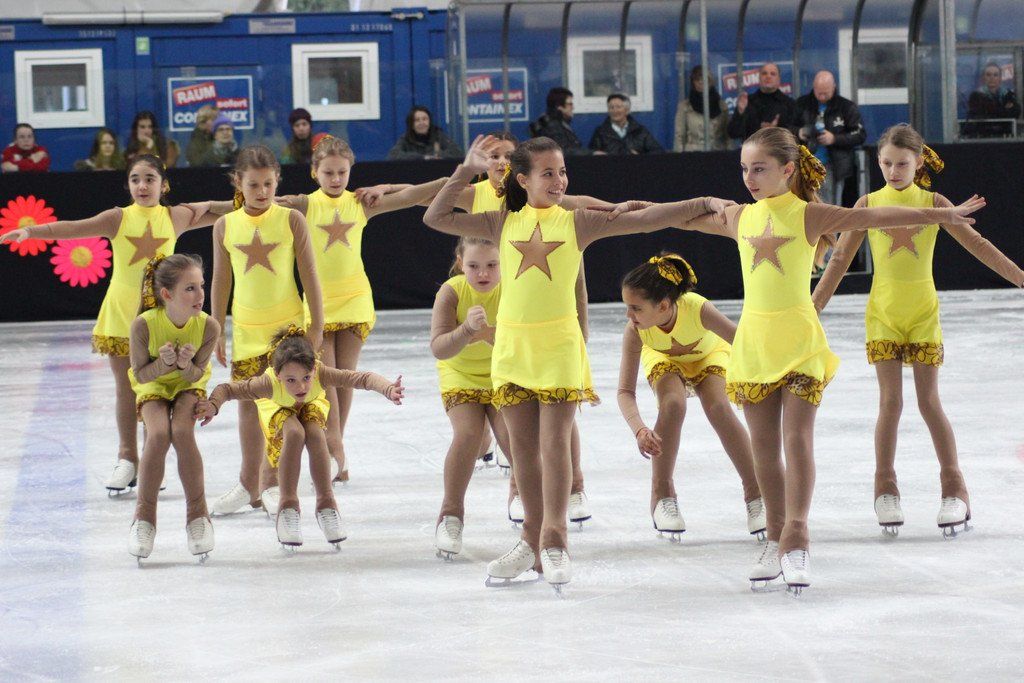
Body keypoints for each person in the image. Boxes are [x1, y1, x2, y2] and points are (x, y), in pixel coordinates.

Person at [676, 126, 984, 593]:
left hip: (803, 342)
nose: (749, 178)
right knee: (764, 448)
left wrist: (943, 214)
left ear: (787, 170)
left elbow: (876, 217)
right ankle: (777, 535)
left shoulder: (808, 214)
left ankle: (797, 536)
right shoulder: (740, 216)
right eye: (744, 169)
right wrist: (624, 211)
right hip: (757, 344)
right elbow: (679, 218)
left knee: (797, 438)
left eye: (758, 169)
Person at [423, 134, 730, 590]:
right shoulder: (501, 221)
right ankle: (530, 541)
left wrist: (702, 202)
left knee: (554, 445)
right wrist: (466, 170)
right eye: (548, 173)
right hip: (513, 350)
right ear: (522, 180)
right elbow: (435, 216)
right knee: (522, 451)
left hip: (558, 349)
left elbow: (647, 219)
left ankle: (556, 539)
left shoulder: (577, 221)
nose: (560, 180)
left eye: (563, 171)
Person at [812, 123, 1024, 538]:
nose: (894, 171)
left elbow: (978, 245)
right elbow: (839, 260)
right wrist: (813, 308)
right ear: (878, 161)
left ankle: (955, 487)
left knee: (929, 402)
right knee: (890, 403)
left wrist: (1020, 277)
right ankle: (885, 486)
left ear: (919, 162)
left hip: (923, 313)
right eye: (887, 163)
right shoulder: (868, 203)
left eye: (902, 164)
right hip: (884, 315)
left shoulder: (934, 203)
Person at [0, 156, 224, 492]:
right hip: (121, 313)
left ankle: (152, 458)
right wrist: (31, 231)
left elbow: (229, 211)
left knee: (156, 387)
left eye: (149, 179)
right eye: (135, 179)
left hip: (160, 317)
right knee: (126, 387)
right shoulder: (117, 218)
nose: (142, 186)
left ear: (164, 184)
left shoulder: (175, 216)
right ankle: (127, 458)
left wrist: (245, 203)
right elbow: (73, 228)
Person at [274, 135, 447, 483]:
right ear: (314, 172)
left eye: (342, 172)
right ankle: (335, 447)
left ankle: (335, 449)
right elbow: (257, 204)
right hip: (319, 304)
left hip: (355, 299)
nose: (336, 179)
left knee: (346, 378)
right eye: (328, 173)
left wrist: (389, 186)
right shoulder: (304, 205)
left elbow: (419, 194)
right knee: (325, 377)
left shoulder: (360, 204)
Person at [197, 328, 403, 549]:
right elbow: (227, 389)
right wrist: (213, 405)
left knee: (315, 434)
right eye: (291, 380)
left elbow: (361, 378)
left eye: (306, 377)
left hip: (309, 406)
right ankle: (287, 506)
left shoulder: (321, 373)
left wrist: (388, 389)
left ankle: (326, 503)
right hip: (276, 406)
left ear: (314, 369)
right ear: (278, 375)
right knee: (295, 433)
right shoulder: (267, 384)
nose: (301, 387)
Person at [208, 146, 324, 519]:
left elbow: (310, 274)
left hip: (287, 330)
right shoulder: (225, 225)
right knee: (247, 405)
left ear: (277, 182)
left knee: (280, 404)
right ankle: (249, 484)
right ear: (238, 183)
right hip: (245, 329)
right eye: (254, 184)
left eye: (268, 184)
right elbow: (221, 280)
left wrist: (316, 325)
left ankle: (271, 481)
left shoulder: (291, 220)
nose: (262, 191)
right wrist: (216, 329)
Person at [617, 253, 764, 540]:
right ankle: (662, 494)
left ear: (662, 305)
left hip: (708, 354)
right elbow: (624, 391)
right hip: (663, 357)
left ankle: (756, 493)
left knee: (719, 407)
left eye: (635, 308)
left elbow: (742, 343)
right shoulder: (636, 332)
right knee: (672, 404)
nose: (628, 316)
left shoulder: (698, 308)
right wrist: (639, 430)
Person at [127, 254, 219, 563]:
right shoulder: (143, 325)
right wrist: (163, 365)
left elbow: (196, 374)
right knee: (158, 435)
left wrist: (183, 365)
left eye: (201, 286)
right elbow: (141, 375)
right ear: (167, 294)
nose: (200, 295)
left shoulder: (208, 327)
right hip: (153, 386)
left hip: (187, 386)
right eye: (190, 288)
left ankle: (198, 515)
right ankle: (143, 518)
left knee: (181, 431)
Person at [431, 236, 513, 558]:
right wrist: (466, 329)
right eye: (474, 266)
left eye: (492, 265)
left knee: (512, 436)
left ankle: (520, 493)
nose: (483, 273)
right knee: (468, 433)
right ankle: (450, 515)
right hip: (460, 372)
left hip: (502, 374)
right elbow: (439, 348)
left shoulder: (513, 289)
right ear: (460, 263)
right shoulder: (451, 291)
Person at [796, 71, 866, 205]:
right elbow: (787, 128)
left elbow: (860, 135)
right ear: (813, 87)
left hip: (835, 164)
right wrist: (799, 132)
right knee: (806, 203)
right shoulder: (802, 104)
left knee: (830, 204)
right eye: (819, 93)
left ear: (834, 87)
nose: (822, 96)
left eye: (826, 93)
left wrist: (835, 139)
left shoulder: (846, 107)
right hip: (806, 163)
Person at [727, 63, 798, 142]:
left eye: (773, 74)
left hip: (778, 148)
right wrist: (740, 112)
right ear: (759, 78)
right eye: (764, 73)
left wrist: (775, 131)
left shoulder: (789, 104)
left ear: (779, 79)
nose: (768, 76)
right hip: (752, 148)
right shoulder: (747, 102)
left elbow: (796, 134)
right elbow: (732, 133)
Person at [674, 66, 729, 152]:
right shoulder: (685, 107)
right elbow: (679, 136)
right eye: (697, 80)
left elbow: (728, 136)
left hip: (717, 153)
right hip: (693, 155)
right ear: (693, 83)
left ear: (710, 81)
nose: (700, 82)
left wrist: (730, 156)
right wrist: (679, 157)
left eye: (704, 79)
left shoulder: (721, 105)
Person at [588, 93, 663, 155]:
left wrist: (640, 157)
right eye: (611, 107)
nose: (614, 110)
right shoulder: (600, 132)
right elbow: (591, 154)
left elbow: (658, 152)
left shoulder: (640, 131)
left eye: (618, 107)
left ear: (627, 110)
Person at [965, 62, 1021, 138]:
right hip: (981, 137)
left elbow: (1015, 113)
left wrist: (991, 110)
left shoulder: (1008, 95)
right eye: (988, 75)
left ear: (1000, 78)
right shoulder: (975, 96)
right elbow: (981, 116)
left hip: (1005, 137)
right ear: (983, 78)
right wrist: (1003, 110)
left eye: (995, 75)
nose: (992, 78)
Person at [387, 106, 463, 160]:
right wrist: (422, 157)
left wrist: (436, 156)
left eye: (425, 119)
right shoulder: (406, 139)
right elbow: (393, 156)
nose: (422, 123)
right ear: (412, 125)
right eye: (417, 120)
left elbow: (457, 153)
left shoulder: (438, 136)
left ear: (429, 121)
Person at [529, 87, 589, 155]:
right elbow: (562, 152)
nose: (573, 107)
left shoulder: (556, 124)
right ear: (559, 106)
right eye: (570, 104)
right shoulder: (552, 128)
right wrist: (591, 153)